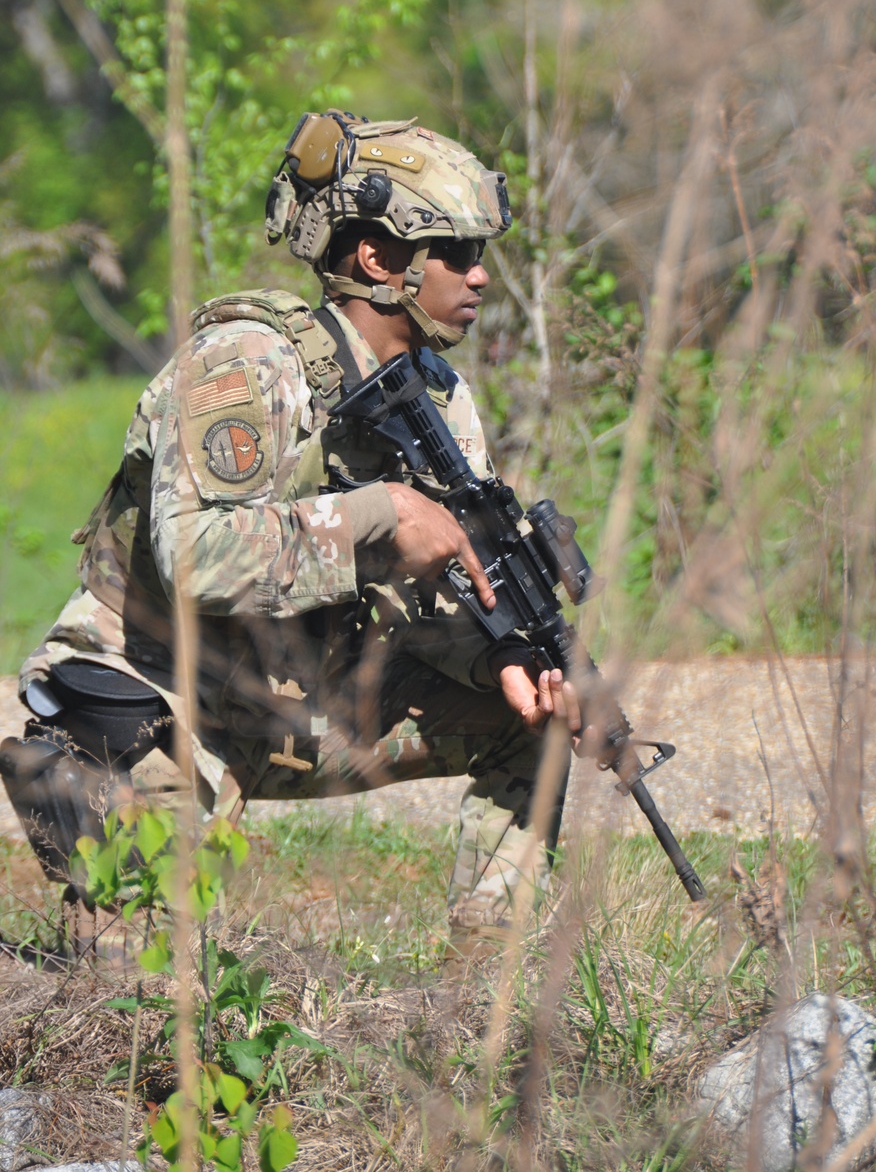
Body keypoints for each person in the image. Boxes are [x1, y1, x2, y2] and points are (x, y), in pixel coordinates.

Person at [0, 108, 582, 952]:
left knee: (536, 723)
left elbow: (428, 600)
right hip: (158, 696)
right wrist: (382, 514)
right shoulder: (247, 363)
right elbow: (196, 555)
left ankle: (485, 996)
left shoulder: (441, 397)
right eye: (453, 252)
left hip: (297, 706)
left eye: (479, 254)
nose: (479, 276)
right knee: (155, 997)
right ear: (379, 260)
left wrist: (502, 658)